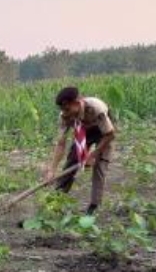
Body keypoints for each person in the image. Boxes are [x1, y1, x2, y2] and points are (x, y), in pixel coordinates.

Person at [42, 86, 117, 215]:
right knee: (71, 161)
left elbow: (110, 134)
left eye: (67, 109)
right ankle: (57, 200)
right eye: (62, 110)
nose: (65, 113)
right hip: (84, 132)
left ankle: (94, 206)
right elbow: (61, 144)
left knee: (100, 165)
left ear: (77, 103)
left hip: (103, 132)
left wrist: (93, 155)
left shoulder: (96, 108)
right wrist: (52, 169)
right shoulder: (64, 116)